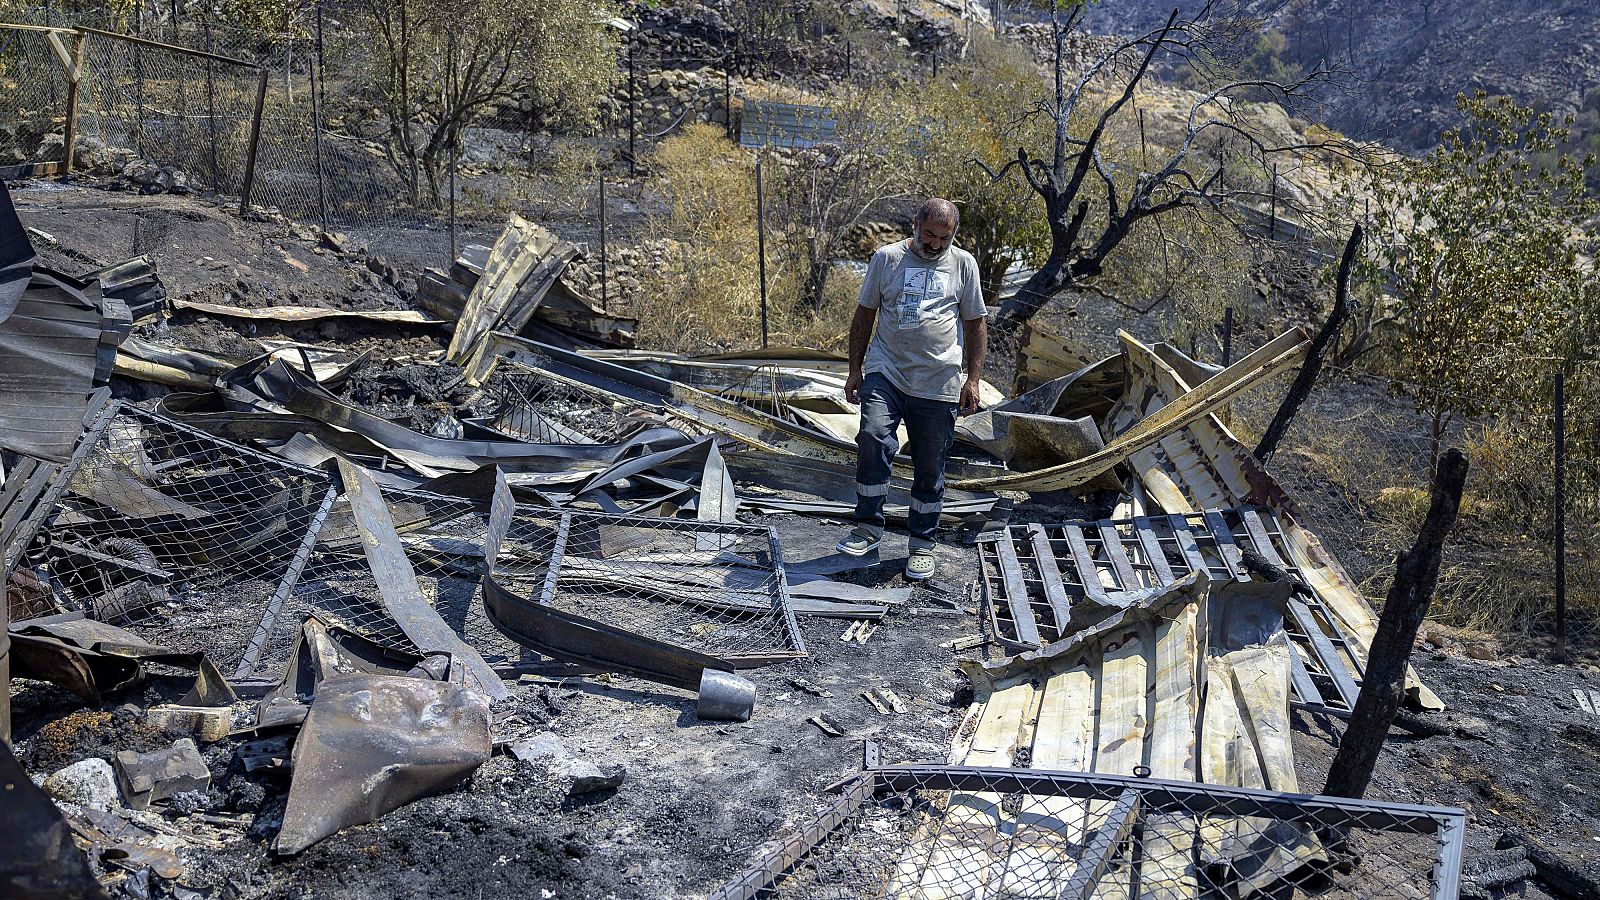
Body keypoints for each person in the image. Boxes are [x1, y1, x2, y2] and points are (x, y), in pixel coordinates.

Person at [836, 197, 987, 581]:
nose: (935, 244)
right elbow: (864, 315)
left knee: (930, 464)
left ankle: (921, 543)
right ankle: (868, 527)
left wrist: (973, 379)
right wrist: (855, 370)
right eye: (929, 234)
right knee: (872, 436)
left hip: (939, 382)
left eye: (944, 238)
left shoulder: (964, 265)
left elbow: (975, 323)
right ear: (915, 224)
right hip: (887, 371)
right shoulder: (886, 259)